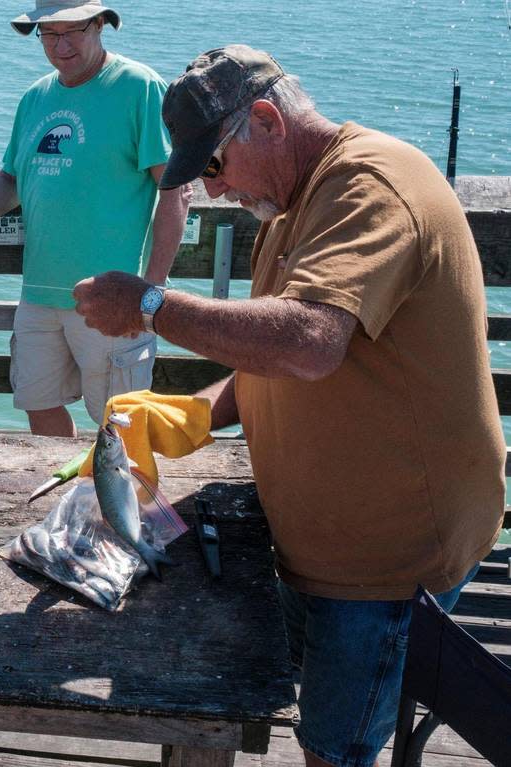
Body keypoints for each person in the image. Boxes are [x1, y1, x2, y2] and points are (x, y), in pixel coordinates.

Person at [73, 45, 505, 767]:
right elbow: (272, 356)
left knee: (334, 751)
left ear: (267, 120)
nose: (212, 192)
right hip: (311, 540)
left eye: (213, 166)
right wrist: (196, 412)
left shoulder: (371, 186)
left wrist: (150, 303)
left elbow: (309, 342)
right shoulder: (287, 204)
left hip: (385, 563)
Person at [0, 0, 190, 438]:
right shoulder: (35, 97)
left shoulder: (140, 87)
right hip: (39, 293)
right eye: (49, 33)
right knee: (38, 406)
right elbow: (11, 177)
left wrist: (149, 291)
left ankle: (124, 505)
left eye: (73, 31)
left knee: (121, 425)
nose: (61, 45)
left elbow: (174, 189)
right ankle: (69, 499)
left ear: (100, 25)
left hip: (115, 297)